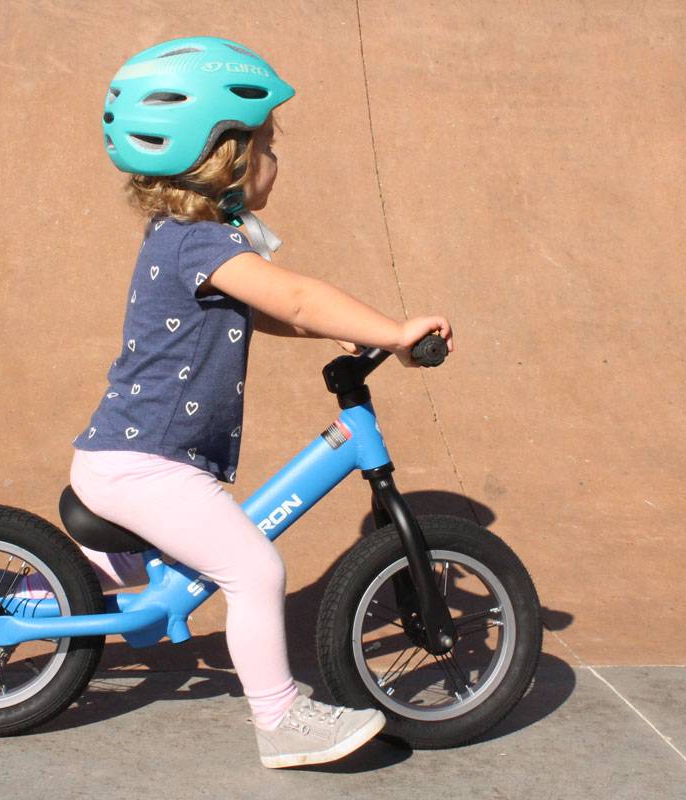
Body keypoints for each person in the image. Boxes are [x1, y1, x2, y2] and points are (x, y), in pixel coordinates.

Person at [67, 36, 454, 768]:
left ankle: (21, 591)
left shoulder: (198, 240)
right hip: (143, 465)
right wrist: (394, 330)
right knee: (254, 570)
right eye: (268, 142)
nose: (278, 157)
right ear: (227, 156)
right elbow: (299, 295)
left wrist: (344, 334)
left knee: (127, 571)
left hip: (135, 455)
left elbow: (280, 312)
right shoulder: (199, 246)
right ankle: (279, 721)